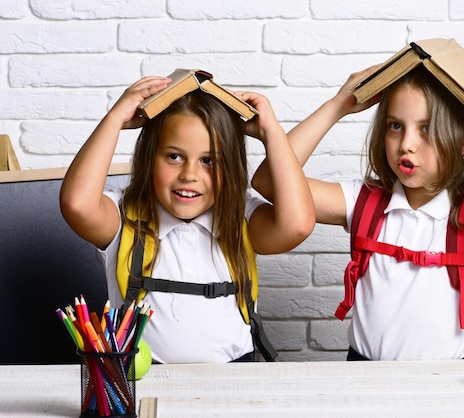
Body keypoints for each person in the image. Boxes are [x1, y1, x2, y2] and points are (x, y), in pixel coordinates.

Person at [252, 64, 464, 360]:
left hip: (447, 387)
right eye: (395, 126)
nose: (406, 145)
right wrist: (337, 107)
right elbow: (268, 181)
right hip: (362, 377)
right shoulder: (363, 200)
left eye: (426, 129)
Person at [59, 75, 315, 363]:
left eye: (209, 161)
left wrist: (272, 132)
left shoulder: (239, 216)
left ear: (230, 168)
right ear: (148, 157)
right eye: (174, 157)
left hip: (233, 379)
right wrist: (115, 118)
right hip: (142, 380)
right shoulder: (124, 217)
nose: (190, 175)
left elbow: (298, 224)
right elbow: (76, 204)